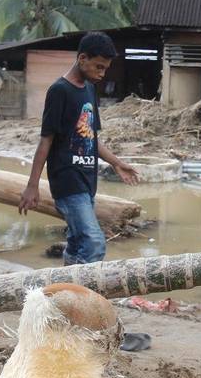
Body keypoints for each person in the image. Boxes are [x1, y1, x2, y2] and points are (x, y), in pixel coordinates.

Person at [19, 32, 139, 264]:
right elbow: (45, 141)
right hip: (67, 182)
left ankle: (66, 283)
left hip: (87, 181)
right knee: (94, 242)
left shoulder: (89, 90)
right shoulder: (59, 91)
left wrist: (116, 163)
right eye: (99, 67)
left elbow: (91, 138)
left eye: (105, 69)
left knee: (76, 243)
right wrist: (32, 186)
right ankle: (83, 287)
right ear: (82, 58)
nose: (102, 74)